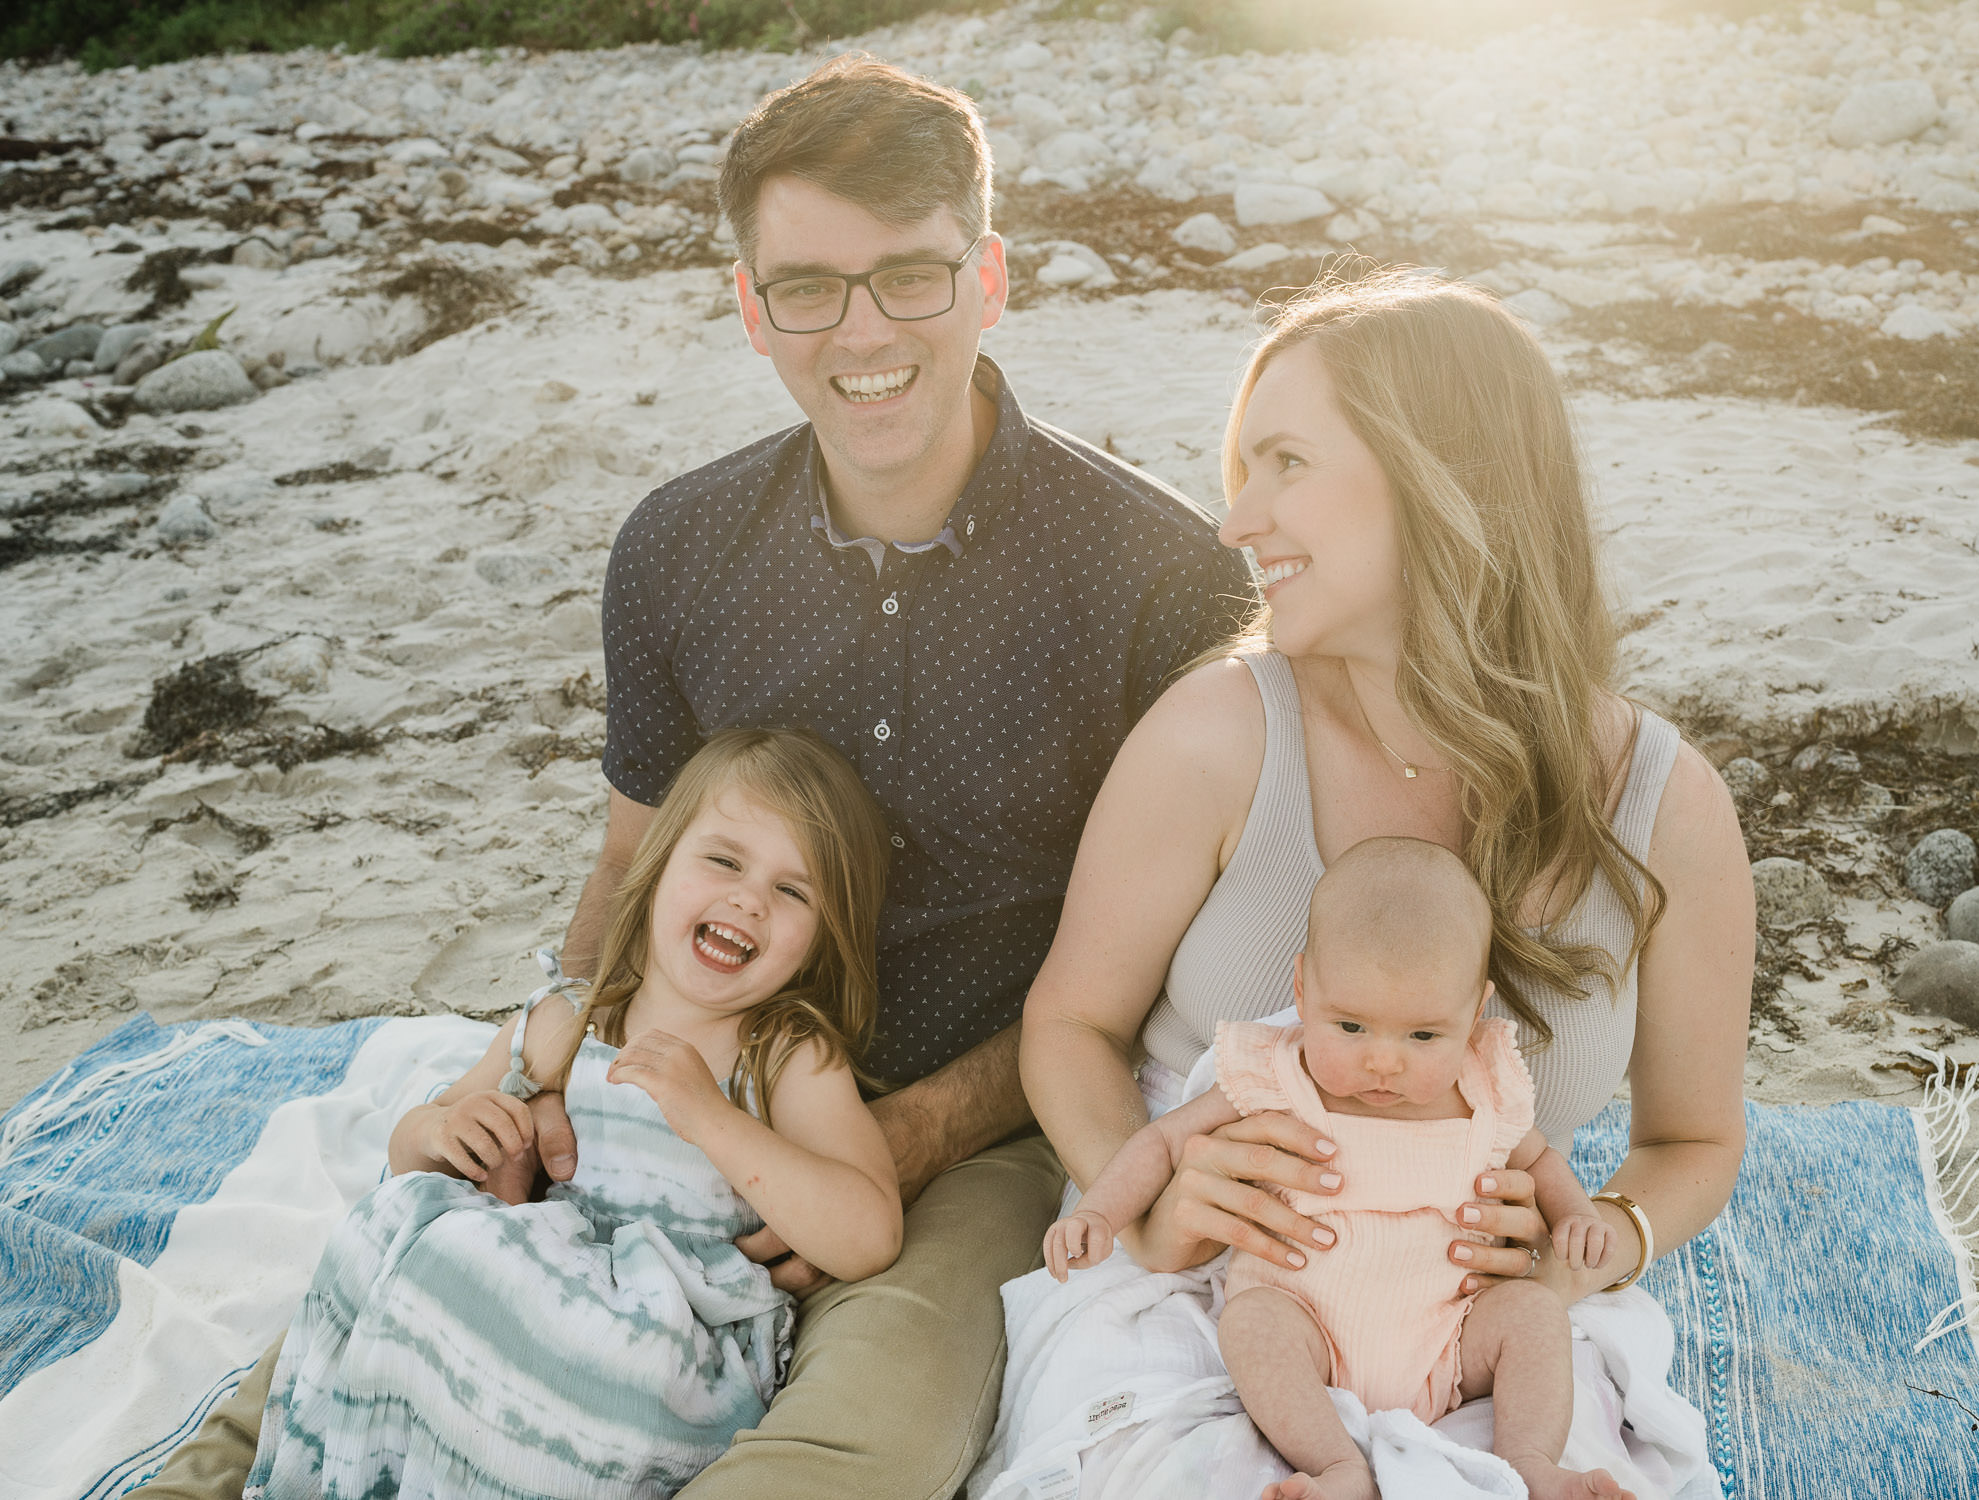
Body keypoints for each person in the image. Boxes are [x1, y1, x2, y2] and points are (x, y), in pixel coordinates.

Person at [144, 55, 1250, 1500]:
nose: (860, 331)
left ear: (987, 279)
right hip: (679, 1066)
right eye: (805, 286)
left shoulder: (1156, 576)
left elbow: (1146, 960)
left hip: (974, 1114)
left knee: (883, 1437)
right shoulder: (674, 550)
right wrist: (537, 1072)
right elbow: (628, 865)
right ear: (748, 305)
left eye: (908, 277)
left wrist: (914, 1134)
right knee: (405, 1280)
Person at [1013, 267, 1755, 1487]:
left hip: (1482, 1327)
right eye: (1239, 471)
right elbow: (1068, 1022)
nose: (1234, 521)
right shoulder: (1214, 736)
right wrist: (1147, 1198)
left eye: (1286, 464)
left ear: (1441, 480)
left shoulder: (1663, 805)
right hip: (1216, 1295)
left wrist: (1604, 1238)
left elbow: (1692, 1137)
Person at [246, 728, 903, 1497]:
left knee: (567, 1352)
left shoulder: (785, 1055)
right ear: (657, 870)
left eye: (794, 891)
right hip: (542, 1277)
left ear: (821, 940)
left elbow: (870, 1233)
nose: (749, 900)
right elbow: (414, 1148)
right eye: (723, 860)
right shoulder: (572, 1021)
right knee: (412, 1236)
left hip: (664, 1340)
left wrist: (713, 1118)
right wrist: (444, 1130)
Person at [1043, 838, 1625, 1500]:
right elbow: (1162, 1144)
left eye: (1423, 1036)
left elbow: (1542, 1162)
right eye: (1350, 1026)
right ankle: (1337, 1467)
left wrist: (1576, 1216)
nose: (1384, 1061)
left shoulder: (1488, 1089)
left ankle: (1531, 1464)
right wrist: (1100, 1211)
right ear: (1301, 987)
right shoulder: (1273, 1077)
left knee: (1534, 1314)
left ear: (1476, 1010)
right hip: (1307, 1325)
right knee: (1252, 1323)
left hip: (1453, 1336)